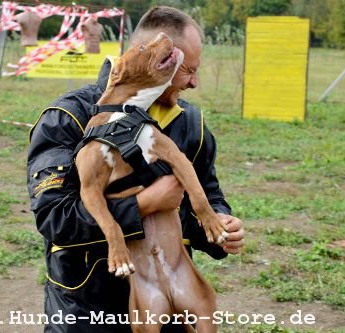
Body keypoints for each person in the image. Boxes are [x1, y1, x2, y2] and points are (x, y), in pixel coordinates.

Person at [27, 6, 245, 333]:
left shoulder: (190, 124)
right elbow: (55, 217)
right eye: (186, 70)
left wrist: (220, 226)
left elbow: (209, 193)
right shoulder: (68, 117)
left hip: (167, 311)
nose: (194, 83)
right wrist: (144, 204)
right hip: (88, 312)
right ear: (159, 60)